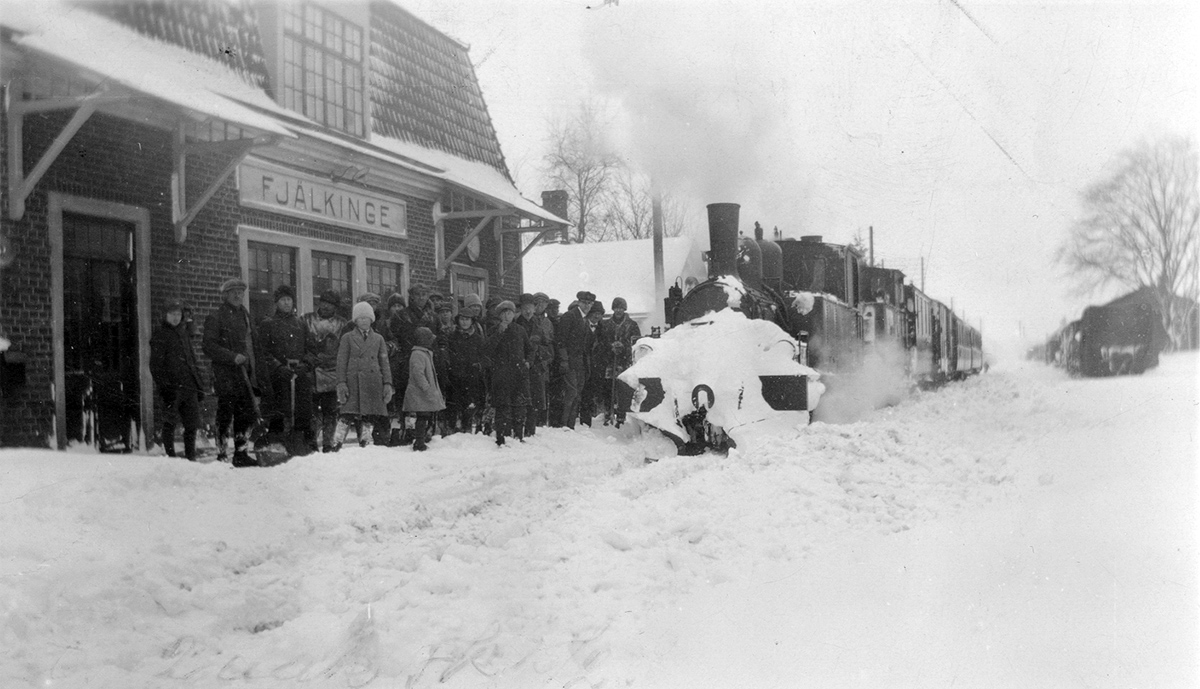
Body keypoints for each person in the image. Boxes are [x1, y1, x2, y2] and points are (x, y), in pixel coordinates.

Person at [202, 278, 261, 466]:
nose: (238, 295)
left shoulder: (246, 316)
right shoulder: (216, 317)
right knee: (225, 414)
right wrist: (231, 356)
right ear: (225, 295)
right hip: (226, 375)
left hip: (245, 374)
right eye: (234, 292)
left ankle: (241, 454)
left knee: (245, 414)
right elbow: (208, 346)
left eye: (240, 292)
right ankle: (221, 453)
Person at [258, 284, 316, 453]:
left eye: (289, 300)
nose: (286, 303)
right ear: (276, 303)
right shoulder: (268, 324)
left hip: (300, 379)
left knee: (302, 414)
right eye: (283, 300)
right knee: (279, 414)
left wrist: (305, 365)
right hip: (279, 380)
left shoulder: (301, 325)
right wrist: (278, 367)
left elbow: (311, 350)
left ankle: (303, 446)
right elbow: (263, 353)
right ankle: (277, 447)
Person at [333, 301, 393, 449]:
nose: (364, 321)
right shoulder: (347, 338)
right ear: (355, 321)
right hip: (353, 381)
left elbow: (384, 363)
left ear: (372, 319)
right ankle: (337, 441)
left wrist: (387, 383)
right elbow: (341, 362)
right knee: (346, 414)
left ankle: (366, 441)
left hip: (373, 382)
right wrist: (341, 383)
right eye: (360, 318)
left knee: (369, 414)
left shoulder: (378, 339)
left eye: (367, 318)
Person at [150, 300, 204, 461]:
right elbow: (156, 365)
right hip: (172, 388)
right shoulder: (160, 335)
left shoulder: (183, 334)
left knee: (191, 424)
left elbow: (191, 360)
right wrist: (164, 387)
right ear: (165, 316)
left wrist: (198, 384)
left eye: (178, 314)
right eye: (172, 314)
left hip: (189, 386)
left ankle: (190, 456)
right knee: (170, 423)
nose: (175, 318)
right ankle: (171, 457)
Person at [303, 290, 348, 452]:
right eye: (325, 302)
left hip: (332, 373)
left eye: (331, 304)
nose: (327, 306)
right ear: (319, 303)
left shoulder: (342, 324)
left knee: (330, 411)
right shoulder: (306, 320)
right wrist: (310, 358)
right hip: (312, 372)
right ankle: (312, 442)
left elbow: (344, 348)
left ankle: (328, 443)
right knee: (312, 411)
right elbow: (302, 343)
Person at [484, 300, 531, 446]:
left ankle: (518, 435)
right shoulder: (494, 330)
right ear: (499, 315)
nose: (507, 316)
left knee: (519, 406)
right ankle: (501, 437)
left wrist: (528, 361)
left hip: (518, 374)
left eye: (510, 312)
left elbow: (529, 349)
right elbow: (488, 350)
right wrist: (499, 332)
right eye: (504, 313)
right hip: (501, 375)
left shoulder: (520, 330)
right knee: (502, 406)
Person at [596, 296, 642, 426]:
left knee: (623, 388)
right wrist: (611, 346)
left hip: (624, 361)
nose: (618, 311)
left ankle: (621, 415)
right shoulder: (605, 325)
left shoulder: (632, 325)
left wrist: (623, 346)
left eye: (621, 308)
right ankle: (608, 412)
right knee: (608, 388)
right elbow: (601, 342)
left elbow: (636, 342)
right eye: (616, 308)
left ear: (625, 309)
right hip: (609, 361)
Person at [555, 291, 595, 429]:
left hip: (580, 363)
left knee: (577, 394)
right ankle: (564, 424)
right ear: (578, 302)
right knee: (571, 393)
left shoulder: (584, 320)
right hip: (570, 362)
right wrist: (564, 360)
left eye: (590, 303)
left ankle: (570, 425)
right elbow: (560, 340)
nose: (587, 306)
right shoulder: (570, 316)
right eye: (584, 303)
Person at [514, 293, 551, 437]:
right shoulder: (516, 323)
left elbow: (547, 345)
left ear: (535, 308)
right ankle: (517, 431)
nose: (528, 311)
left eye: (530, 307)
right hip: (520, 366)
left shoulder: (538, 324)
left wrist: (541, 359)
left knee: (535, 400)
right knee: (520, 400)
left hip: (536, 368)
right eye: (525, 308)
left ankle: (531, 430)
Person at [403, 327, 445, 451]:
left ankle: (420, 440)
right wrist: (426, 387)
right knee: (422, 417)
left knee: (423, 416)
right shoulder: (418, 354)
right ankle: (419, 442)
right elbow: (418, 374)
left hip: (421, 393)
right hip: (420, 393)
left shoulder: (423, 353)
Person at [445, 310, 487, 433]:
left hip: (472, 377)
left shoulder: (478, 338)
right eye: (462, 319)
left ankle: (467, 429)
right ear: (458, 320)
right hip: (455, 376)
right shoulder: (452, 337)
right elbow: (447, 354)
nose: (464, 322)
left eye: (467, 319)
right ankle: (452, 429)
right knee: (454, 404)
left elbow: (484, 356)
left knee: (469, 405)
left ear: (472, 321)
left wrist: (478, 365)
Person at [579, 301, 606, 426]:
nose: (596, 316)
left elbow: (606, 346)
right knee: (583, 394)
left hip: (597, 367)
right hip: (583, 366)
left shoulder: (604, 328)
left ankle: (592, 419)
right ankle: (583, 421)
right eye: (594, 313)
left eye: (599, 314)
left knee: (594, 393)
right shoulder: (581, 325)